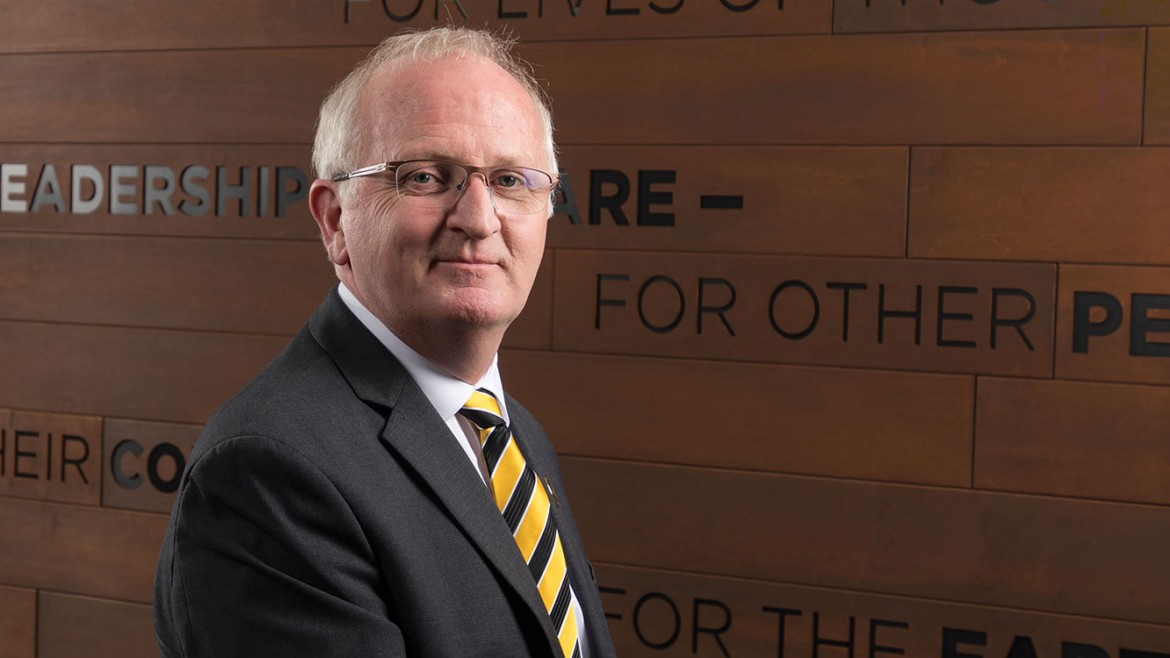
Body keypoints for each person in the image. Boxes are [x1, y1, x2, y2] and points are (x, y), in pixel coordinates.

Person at [153, 27, 617, 658]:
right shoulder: (269, 471)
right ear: (336, 220)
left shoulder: (510, 435)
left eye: (510, 180)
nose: (479, 219)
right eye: (426, 176)